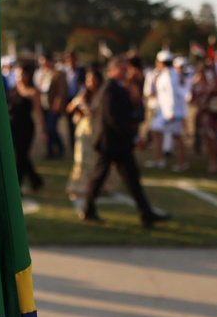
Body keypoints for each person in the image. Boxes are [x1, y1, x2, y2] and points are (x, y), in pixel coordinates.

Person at [80, 57, 171, 227]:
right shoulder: (110, 89)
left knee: (132, 178)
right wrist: (134, 137)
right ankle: (88, 209)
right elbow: (113, 119)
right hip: (110, 143)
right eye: (122, 69)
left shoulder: (119, 87)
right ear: (112, 70)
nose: (126, 72)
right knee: (99, 177)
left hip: (119, 143)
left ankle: (146, 213)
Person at [66, 65, 116, 203]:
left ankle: (101, 186)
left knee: (98, 160)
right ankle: (79, 187)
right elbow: (69, 108)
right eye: (88, 79)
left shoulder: (103, 94)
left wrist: (91, 110)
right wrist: (79, 106)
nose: (91, 82)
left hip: (98, 130)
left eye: (93, 79)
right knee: (82, 159)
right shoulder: (83, 94)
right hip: (84, 131)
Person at [8, 63, 46, 193]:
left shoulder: (33, 92)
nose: (20, 77)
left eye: (22, 74)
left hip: (26, 128)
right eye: (17, 74)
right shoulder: (13, 88)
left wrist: (43, 130)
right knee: (22, 156)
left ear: (28, 75)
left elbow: (39, 112)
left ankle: (17, 186)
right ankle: (36, 181)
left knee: (21, 156)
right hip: (12, 127)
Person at [188, 61, 217, 173]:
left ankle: (213, 161)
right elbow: (192, 99)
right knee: (205, 137)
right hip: (201, 114)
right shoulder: (196, 83)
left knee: (211, 136)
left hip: (211, 115)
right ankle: (211, 155)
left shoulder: (212, 83)